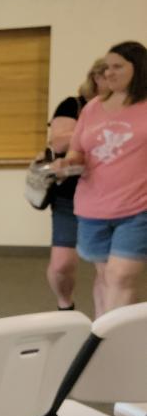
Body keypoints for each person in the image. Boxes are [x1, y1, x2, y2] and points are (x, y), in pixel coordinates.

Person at [55, 41, 147, 317]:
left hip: (138, 207)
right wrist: (67, 163)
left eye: (118, 66)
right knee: (105, 276)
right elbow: (77, 150)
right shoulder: (93, 107)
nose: (109, 73)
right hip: (93, 207)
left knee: (121, 276)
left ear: (139, 68)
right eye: (107, 67)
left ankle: (113, 341)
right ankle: (104, 334)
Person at [45, 58, 107, 311]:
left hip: (110, 196)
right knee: (62, 265)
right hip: (69, 196)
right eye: (102, 75)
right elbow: (58, 143)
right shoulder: (74, 105)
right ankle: (65, 305)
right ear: (93, 78)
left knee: (108, 269)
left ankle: (105, 325)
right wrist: (99, 128)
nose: (108, 80)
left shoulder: (133, 109)